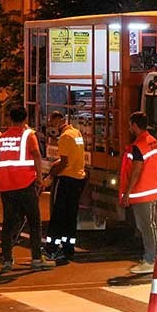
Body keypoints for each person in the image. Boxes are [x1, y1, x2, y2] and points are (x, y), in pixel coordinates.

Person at [0, 106, 45, 271]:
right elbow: (36, 154)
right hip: (26, 184)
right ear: (25, 119)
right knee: (34, 222)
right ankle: (36, 258)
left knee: (8, 223)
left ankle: (7, 260)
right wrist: (40, 178)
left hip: (7, 186)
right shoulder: (28, 135)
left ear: (9, 119)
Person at [121, 111, 157, 275]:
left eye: (130, 124)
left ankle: (150, 260)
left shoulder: (139, 145)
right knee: (151, 225)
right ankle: (152, 257)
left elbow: (136, 171)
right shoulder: (153, 142)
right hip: (153, 190)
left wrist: (127, 193)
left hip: (142, 193)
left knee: (145, 226)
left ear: (134, 125)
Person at [44, 111, 87, 265]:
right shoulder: (76, 133)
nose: (51, 124)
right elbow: (71, 157)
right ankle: (68, 249)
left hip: (67, 179)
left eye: (52, 121)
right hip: (78, 178)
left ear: (59, 120)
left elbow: (63, 162)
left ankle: (51, 247)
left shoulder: (64, 137)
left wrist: (50, 177)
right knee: (70, 216)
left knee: (58, 215)